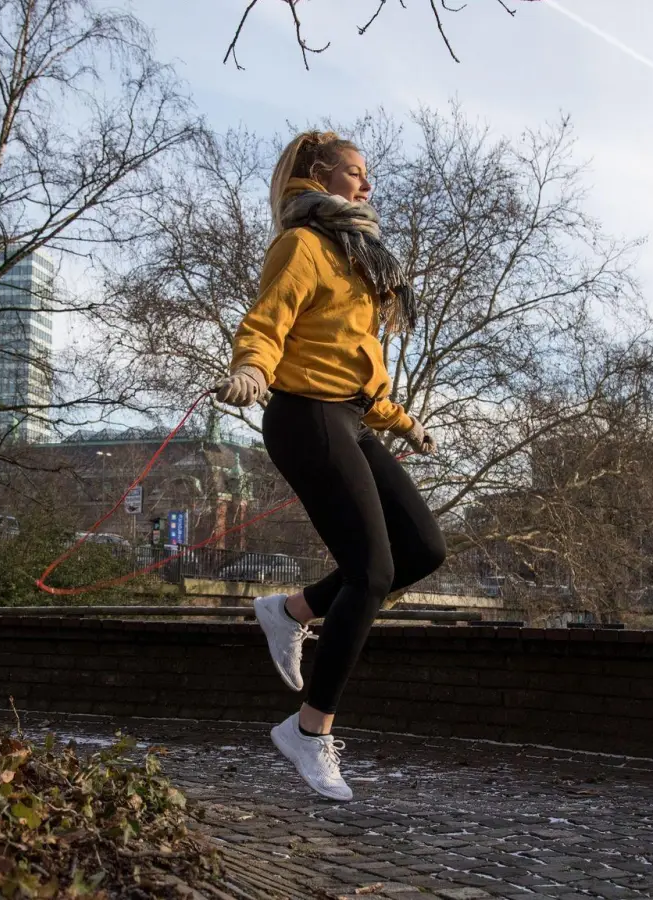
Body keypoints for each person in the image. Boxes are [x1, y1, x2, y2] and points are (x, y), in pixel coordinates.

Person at [212, 131, 446, 801]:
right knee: (371, 570)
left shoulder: (356, 258)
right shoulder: (303, 245)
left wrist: (404, 422)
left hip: (349, 414)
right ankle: (309, 732)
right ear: (319, 174)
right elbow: (268, 317)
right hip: (305, 415)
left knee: (421, 549)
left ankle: (292, 611)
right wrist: (253, 365)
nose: (366, 186)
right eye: (355, 173)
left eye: (366, 176)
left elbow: (357, 361)